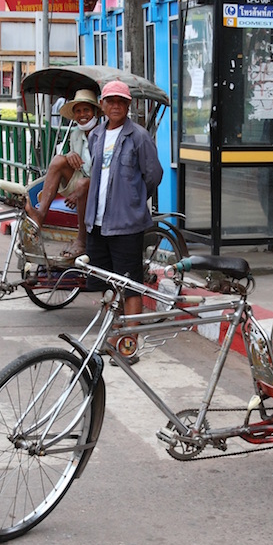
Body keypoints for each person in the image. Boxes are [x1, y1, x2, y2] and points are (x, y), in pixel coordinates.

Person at [84, 80, 163, 361]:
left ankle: (129, 344)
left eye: (121, 101)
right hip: (97, 222)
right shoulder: (95, 136)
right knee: (107, 285)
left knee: (129, 286)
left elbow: (153, 175)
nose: (115, 106)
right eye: (111, 101)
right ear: (102, 105)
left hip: (126, 224)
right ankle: (113, 334)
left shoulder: (139, 137)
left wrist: (133, 199)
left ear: (128, 105)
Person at [25, 89, 101, 257]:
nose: (82, 115)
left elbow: (102, 172)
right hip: (82, 179)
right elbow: (78, 166)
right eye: (78, 111)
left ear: (95, 112)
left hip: (100, 183)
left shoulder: (103, 134)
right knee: (59, 160)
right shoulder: (76, 134)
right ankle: (40, 215)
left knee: (82, 184)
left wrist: (79, 191)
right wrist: (70, 155)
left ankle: (82, 240)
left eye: (86, 110)